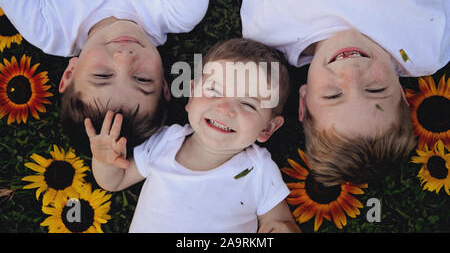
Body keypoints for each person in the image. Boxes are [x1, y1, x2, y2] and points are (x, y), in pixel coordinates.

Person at [235, 0, 450, 186]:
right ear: (402, 94)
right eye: (375, 89)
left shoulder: (266, 28)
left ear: (303, 102)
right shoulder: (424, 48)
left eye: (333, 95)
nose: (352, 73)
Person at [0, 0, 216, 153]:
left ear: (69, 74)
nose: (124, 58)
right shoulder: (178, 10)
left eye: (102, 75)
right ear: (164, 85)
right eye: (142, 79)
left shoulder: (46, 28)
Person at [84, 38, 300, 233]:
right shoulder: (163, 143)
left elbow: (279, 221)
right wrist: (105, 161)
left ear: (268, 128)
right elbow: (114, 181)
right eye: (214, 90)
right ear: (191, 96)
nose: (224, 108)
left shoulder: (257, 170)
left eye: (248, 104)